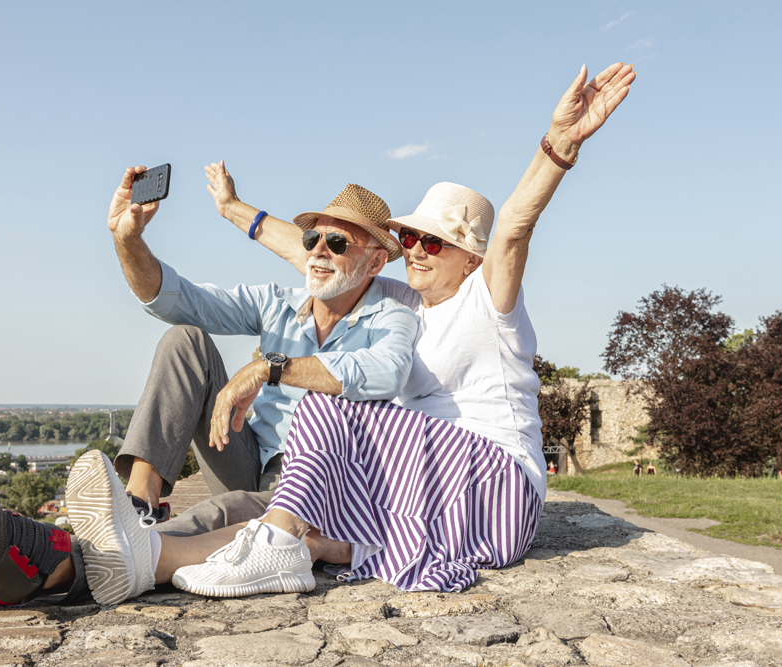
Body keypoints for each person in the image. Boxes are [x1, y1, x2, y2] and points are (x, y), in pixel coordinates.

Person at [167, 61, 636, 596]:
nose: (415, 250)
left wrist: (559, 143)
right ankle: (154, 557)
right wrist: (232, 209)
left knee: (328, 397)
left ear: (472, 260)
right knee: (320, 498)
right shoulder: (402, 300)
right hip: (435, 497)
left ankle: (275, 547)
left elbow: (512, 229)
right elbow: (317, 255)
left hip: (497, 486)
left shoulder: (489, 300)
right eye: (410, 238)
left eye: (434, 243)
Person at [0, 174, 420, 609]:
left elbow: (387, 372)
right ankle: (138, 506)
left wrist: (271, 368)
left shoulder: (393, 313)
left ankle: (62, 565)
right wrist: (128, 240)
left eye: (336, 243)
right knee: (186, 340)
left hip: (319, 483)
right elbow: (173, 297)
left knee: (229, 511)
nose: (319, 251)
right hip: (251, 454)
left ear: (375, 260)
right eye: (311, 239)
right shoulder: (279, 304)